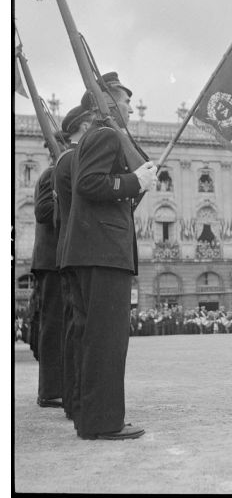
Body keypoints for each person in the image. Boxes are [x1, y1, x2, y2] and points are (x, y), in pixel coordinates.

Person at [60, 72, 157, 440]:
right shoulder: (105, 134)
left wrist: (135, 183)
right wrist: (134, 182)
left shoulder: (93, 138)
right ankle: (104, 422)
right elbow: (89, 184)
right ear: (110, 103)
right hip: (103, 253)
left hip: (93, 250)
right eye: (126, 101)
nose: (131, 108)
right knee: (107, 341)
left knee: (93, 339)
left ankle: (90, 418)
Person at [53, 105, 93, 421]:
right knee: (81, 334)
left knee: (76, 332)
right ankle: (79, 402)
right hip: (81, 250)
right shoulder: (73, 159)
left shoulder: (66, 159)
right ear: (83, 125)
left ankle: (74, 400)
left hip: (70, 250)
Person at [31, 134, 67, 408]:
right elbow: (44, 211)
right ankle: (50, 390)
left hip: (58, 259)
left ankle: (58, 386)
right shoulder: (53, 174)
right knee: (53, 326)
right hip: (51, 260)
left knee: (60, 325)